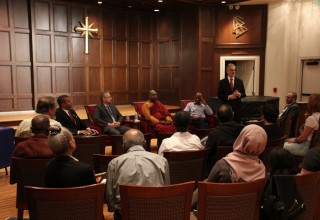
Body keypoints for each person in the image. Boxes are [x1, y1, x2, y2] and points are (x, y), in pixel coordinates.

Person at [192, 124, 267, 208]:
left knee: (205, 182)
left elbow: (205, 190)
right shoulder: (263, 171)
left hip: (216, 213)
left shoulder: (223, 165)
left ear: (241, 138)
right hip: (246, 214)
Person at [106, 129, 170, 219]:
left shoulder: (114, 163)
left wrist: (112, 208)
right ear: (144, 142)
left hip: (125, 215)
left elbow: (110, 196)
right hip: (155, 213)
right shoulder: (162, 161)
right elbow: (167, 191)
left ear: (123, 146)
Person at [205, 104, 244, 171]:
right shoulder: (244, 130)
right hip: (242, 168)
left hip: (219, 171)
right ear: (233, 115)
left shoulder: (213, 134)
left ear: (217, 117)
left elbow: (207, 156)